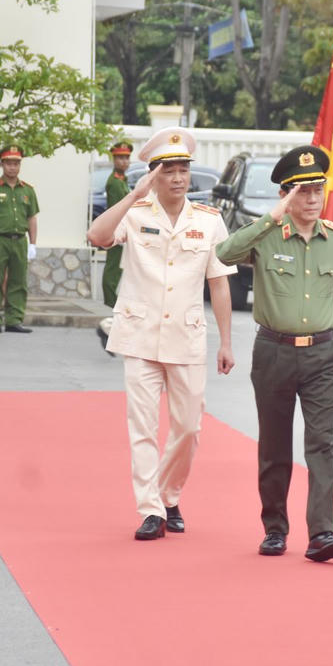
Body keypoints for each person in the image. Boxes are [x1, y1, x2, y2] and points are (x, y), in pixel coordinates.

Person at [87, 127, 236, 541]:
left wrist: (226, 341)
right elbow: (98, 237)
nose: (177, 178)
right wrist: (134, 196)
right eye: (167, 170)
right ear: (153, 175)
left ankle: (169, 494)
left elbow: (219, 282)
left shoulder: (208, 221)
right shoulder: (135, 214)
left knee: (189, 428)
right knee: (143, 427)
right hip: (139, 335)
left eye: (183, 170)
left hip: (186, 337)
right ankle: (151, 509)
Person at [214, 145, 333, 562]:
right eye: (301, 193)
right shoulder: (267, 235)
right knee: (275, 445)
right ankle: (275, 528)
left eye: (316, 191)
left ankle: (322, 533)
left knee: (321, 443)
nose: (311, 200)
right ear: (285, 196)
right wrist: (270, 219)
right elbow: (223, 254)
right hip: (274, 351)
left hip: (322, 354)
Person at [0, 145, 38, 333]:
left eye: (16, 163)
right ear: (2, 164)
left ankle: (14, 320)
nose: (13, 167)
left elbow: (32, 218)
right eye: (9, 163)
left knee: (18, 281)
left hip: (19, 240)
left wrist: (33, 244)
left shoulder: (27, 190)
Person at [102, 140, 133, 308]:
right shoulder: (114, 182)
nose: (124, 161)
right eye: (120, 158)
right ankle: (110, 301)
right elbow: (116, 209)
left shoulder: (121, 180)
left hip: (120, 227)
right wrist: (118, 231)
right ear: (114, 160)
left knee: (117, 265)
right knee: (113, 266)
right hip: (115, 228)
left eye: (127, 158)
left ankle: (112, 299)